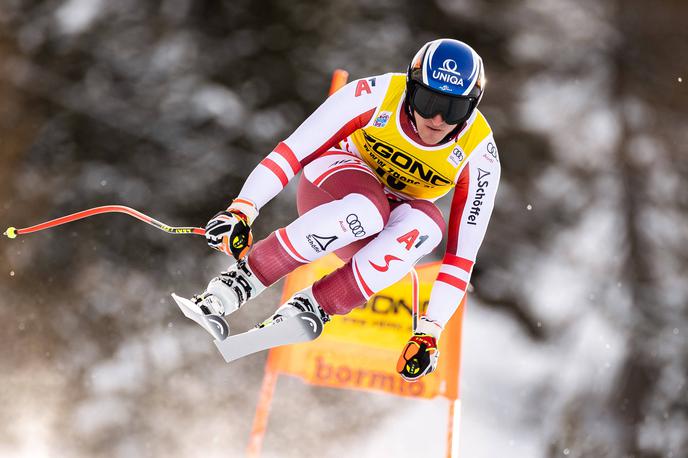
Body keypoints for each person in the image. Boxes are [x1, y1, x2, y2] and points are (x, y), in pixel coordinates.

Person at [195, 38, 500, 381]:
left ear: (472, 107)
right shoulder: (376, 95)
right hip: (331, 186)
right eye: (428, 102)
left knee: (428, 226)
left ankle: (315, 305)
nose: (439, 119)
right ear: (411, 90)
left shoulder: (480, 154)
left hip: (381, 225)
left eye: (454, 108)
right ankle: (240, 281)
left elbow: (461, 257)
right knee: (369, 208)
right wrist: (242, 209)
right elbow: (292, 152)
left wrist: (430, 331)